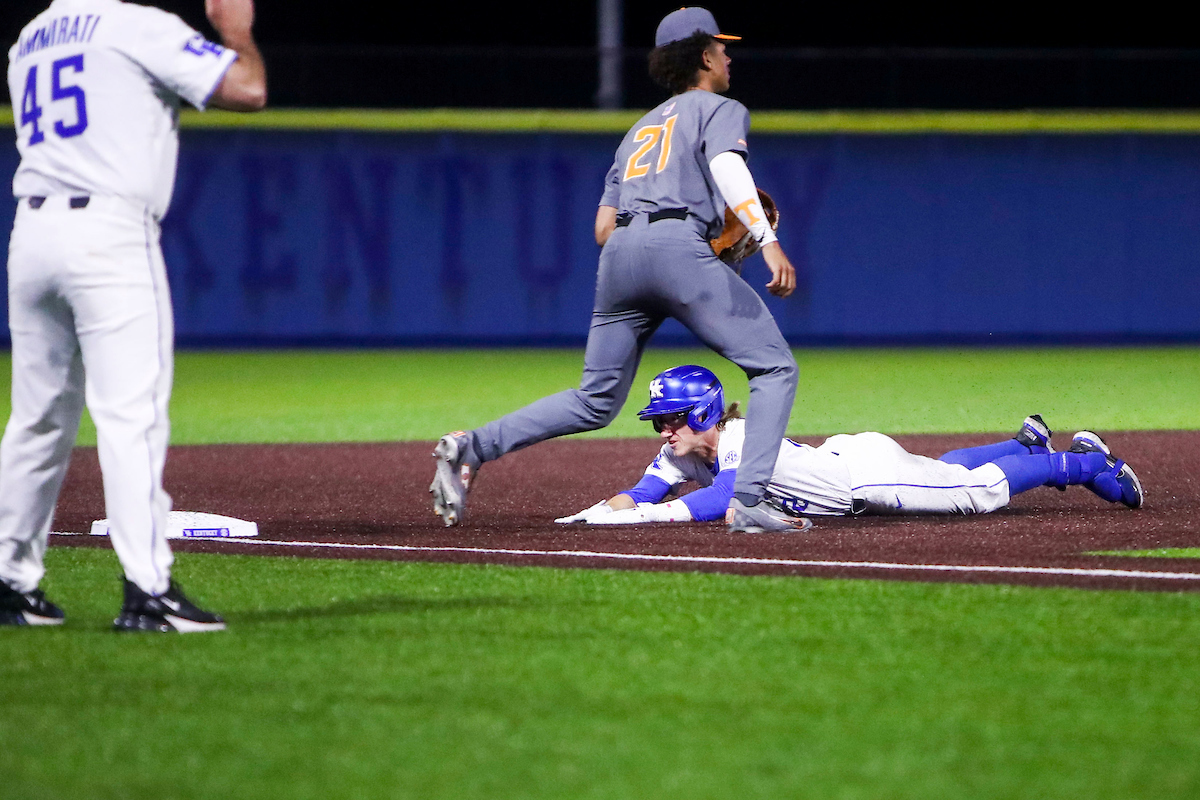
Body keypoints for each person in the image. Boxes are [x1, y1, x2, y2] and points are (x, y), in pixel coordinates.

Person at [431, 7, 801, 532]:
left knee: (594, 400)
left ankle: (473, 446)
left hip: (620, 258)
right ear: (703, 56)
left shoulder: (636, 132)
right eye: (721, 48)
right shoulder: (720, 108)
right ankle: (748, 502)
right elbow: (726, 165)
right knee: (774, 368)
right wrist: (766, 240)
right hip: (677, 249)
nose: (728, 56)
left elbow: (603, 227)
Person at [0, 0, 267, 631]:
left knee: (36, 419)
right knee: (131, 417)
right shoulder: (136, 25)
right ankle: (149, 590)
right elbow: (248, 89)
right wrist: (235, 31)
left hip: (31, 233)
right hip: (108, 232)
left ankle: (10, 584)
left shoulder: (30, 37)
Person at [555, 365, 1145, 529]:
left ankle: (1089, 464)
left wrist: (639, 519)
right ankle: (1026, 445)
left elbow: (723, 498)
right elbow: (641, 493)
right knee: (939, 470)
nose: (664, 431)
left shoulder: (740, 437)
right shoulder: (684, 451)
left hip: (862, 480)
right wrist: (595, 514)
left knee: (978, 493)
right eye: (658, 422)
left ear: (704, 412)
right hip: (845, 460)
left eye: (671, 419)